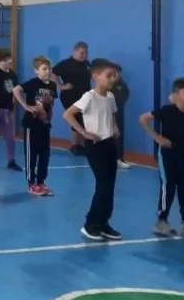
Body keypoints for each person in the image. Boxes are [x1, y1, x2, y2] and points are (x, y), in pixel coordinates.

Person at [63, 58, 122, 242]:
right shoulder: (89, 96)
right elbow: (68, 114)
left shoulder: (110, 97)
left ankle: (103, 223)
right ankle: (91, 225)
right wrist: (84, 133)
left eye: (114, 76)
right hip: (95, 147)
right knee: (103, 186)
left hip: (109, 144)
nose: (113, 79)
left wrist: (114, 128)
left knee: (110, 186)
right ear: (95, 76)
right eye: (109, 75)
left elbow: (111, 115)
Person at [139, 78, 184, 238]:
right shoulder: (167, 111)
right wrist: (157, 137)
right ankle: (161, 221)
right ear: (176, 95)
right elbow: (143, 119)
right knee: (168, 185)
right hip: (167, 154)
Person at [13, 55, 58, 196]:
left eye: (49, 69)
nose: (47, 71)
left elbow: (51, 104)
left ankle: (41, 181)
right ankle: (31, 183)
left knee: (45, 154)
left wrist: (48, 118)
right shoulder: (33, 83)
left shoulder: (52, 85)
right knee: (31, 154)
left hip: (44, 125)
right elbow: (16, 90)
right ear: (36, 70)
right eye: (44, 69)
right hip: (31, 124)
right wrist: (26, 106)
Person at [53, 42, 91, 156]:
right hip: (70, 96)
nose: (84, 55)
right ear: (74, 51)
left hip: (85, 96)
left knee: (85, 120)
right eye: (82, 53)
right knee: (76, 119)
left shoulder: (87, 64)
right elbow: (53, 74)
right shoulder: (65, 64)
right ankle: (75, 145)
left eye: (86, 53)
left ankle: (82, 146)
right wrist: (61, 86)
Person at [0, 49, 21, 172]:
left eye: (9, 59)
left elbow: (15, 90)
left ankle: (11, 161)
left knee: (10, 137)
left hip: (7, 109)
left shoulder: (12, 74)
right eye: (5, 60)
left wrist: (13, 103)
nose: (8, 62)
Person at [111, 65, 131, 169]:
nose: (118, 75)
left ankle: (119, 158)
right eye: (116, 73)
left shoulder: (123, 84)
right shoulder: (106, 84)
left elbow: (126, 95)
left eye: (119, 73)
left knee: (119, 135)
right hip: (106, 113)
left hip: (119, 112)